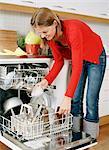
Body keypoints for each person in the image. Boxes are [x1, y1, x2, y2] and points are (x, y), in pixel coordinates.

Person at [30, 7, 106, 139]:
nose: (42, 36)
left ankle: (90, 139)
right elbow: (58, 61)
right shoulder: (51, 38)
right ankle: (76, 137)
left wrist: (67, 97)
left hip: (95, 57)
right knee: (76, 99)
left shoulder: (73, 30)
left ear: (54, 23)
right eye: (39, 33)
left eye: (44, 31)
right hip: (80, 59)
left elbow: (77, 67)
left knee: (91, 100)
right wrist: (46, 81)